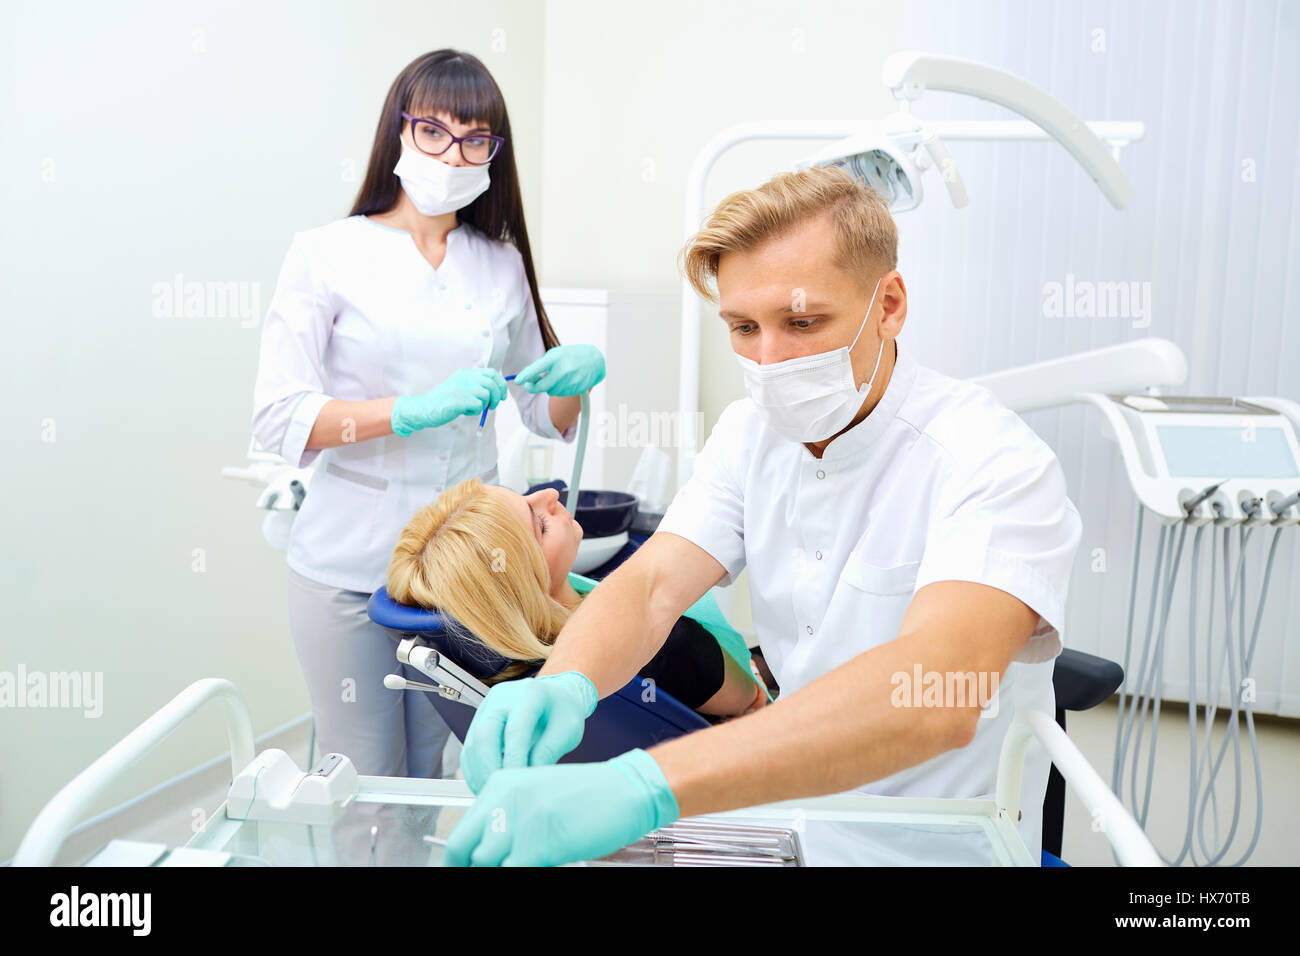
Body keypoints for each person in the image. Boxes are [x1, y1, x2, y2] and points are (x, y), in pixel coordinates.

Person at [442, 165, 1083, 866]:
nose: (769, 359)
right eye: (744, 327)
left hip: (937, 848)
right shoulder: (750, 434)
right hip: (794, 824)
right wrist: (565, 681)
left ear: (890, 305)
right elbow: (653, 585)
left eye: (802, 322)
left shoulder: (990, 461)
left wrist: (643, 785)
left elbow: (933, 696)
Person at [250, 49, 605, 783]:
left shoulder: (498, 261)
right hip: (348, 564)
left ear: (493, 154)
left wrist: (578, 373)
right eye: (436, 132)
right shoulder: (326, 255)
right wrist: (406, 412)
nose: (455, 153)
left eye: (476, 139)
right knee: (366, 777)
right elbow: (279, 418)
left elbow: (544, 413)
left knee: (441, 768)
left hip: (468, 570)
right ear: (400, 133)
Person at [386, 478, 770, 725]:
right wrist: (753, 676)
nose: (550, 495)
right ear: (526, 586)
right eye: (539, 523)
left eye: (526, 496)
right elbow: (749, 700)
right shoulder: (664, 644)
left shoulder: (517, 666)